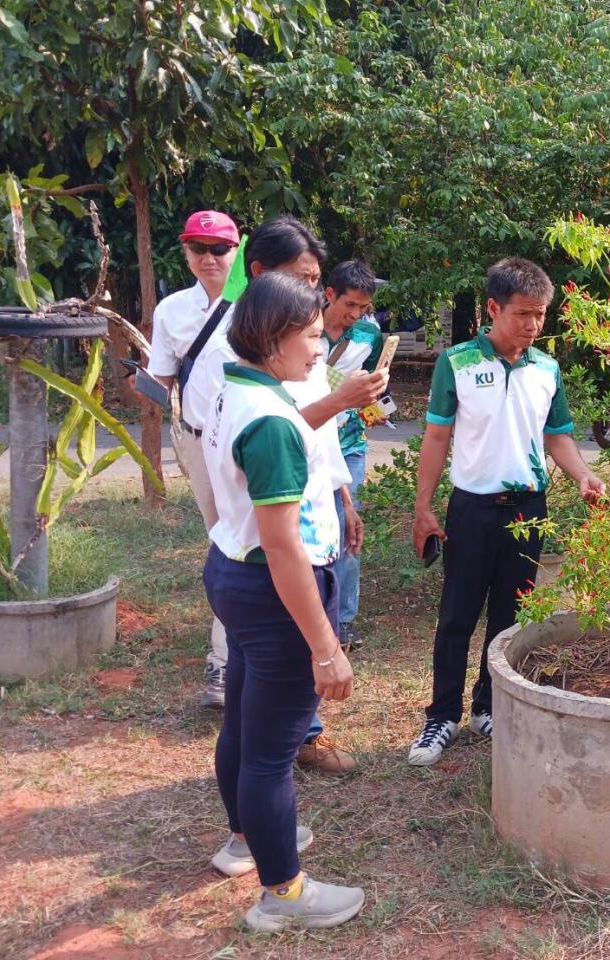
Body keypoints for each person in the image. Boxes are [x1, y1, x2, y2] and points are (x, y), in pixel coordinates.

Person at [184, 215, 387, 774]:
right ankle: (291, 741)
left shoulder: (288, 348)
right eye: (301, 279)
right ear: (260, 276)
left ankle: (287, 736)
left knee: (255, 710)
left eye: (316, 280)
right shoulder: (240, 358)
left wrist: (342, 499)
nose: (314, 296)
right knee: (269, 723)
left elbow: (311, 441)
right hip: (270, 544)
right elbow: (273, 440)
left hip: (296, 517)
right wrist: (327, 650)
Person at [202, 271, 365, 932]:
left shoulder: (237, 389)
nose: (320, 349)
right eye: (312, 335)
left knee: (245, 727)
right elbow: (283, 546)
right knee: (271, 754)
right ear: (272, 338)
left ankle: (247, 838)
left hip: (233, 572)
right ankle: (283, 894)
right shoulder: (269, 421)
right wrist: (325, 646)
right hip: (274, 593)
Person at [408, 258, 604, 767]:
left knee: (510, 615)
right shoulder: (457, 364)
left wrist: (583, 475)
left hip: (528, 511)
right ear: (493, 309)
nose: (533, 324)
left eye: (540, 314)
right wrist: (423, 507)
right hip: (471, 509)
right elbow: (436, 437)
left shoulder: (546, 370)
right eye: (523, 314)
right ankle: (442, 716)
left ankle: (489, 707)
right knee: (457, 616)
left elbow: (558, 437)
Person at [148, 210, 240, 709]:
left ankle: (235, 657)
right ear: (185, 253)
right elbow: (161, 380)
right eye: (198, 249)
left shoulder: (258, 302)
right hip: (198, 441)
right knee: (225, 543)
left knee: (257, 541)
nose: (209, 258)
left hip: (253, 442)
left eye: (218, 249)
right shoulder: (171, 311)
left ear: (236, 251)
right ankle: (225, 660)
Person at [320, 260, 384, 652]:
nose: (356, 314)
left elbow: (370, 381)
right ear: (329, 294)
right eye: (349, 305)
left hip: (349, 443)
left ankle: (343, 622)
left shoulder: (368, 334)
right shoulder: (302, 328)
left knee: (349, 528)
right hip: (311, 440)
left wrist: (373, 404)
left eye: (363, 307)